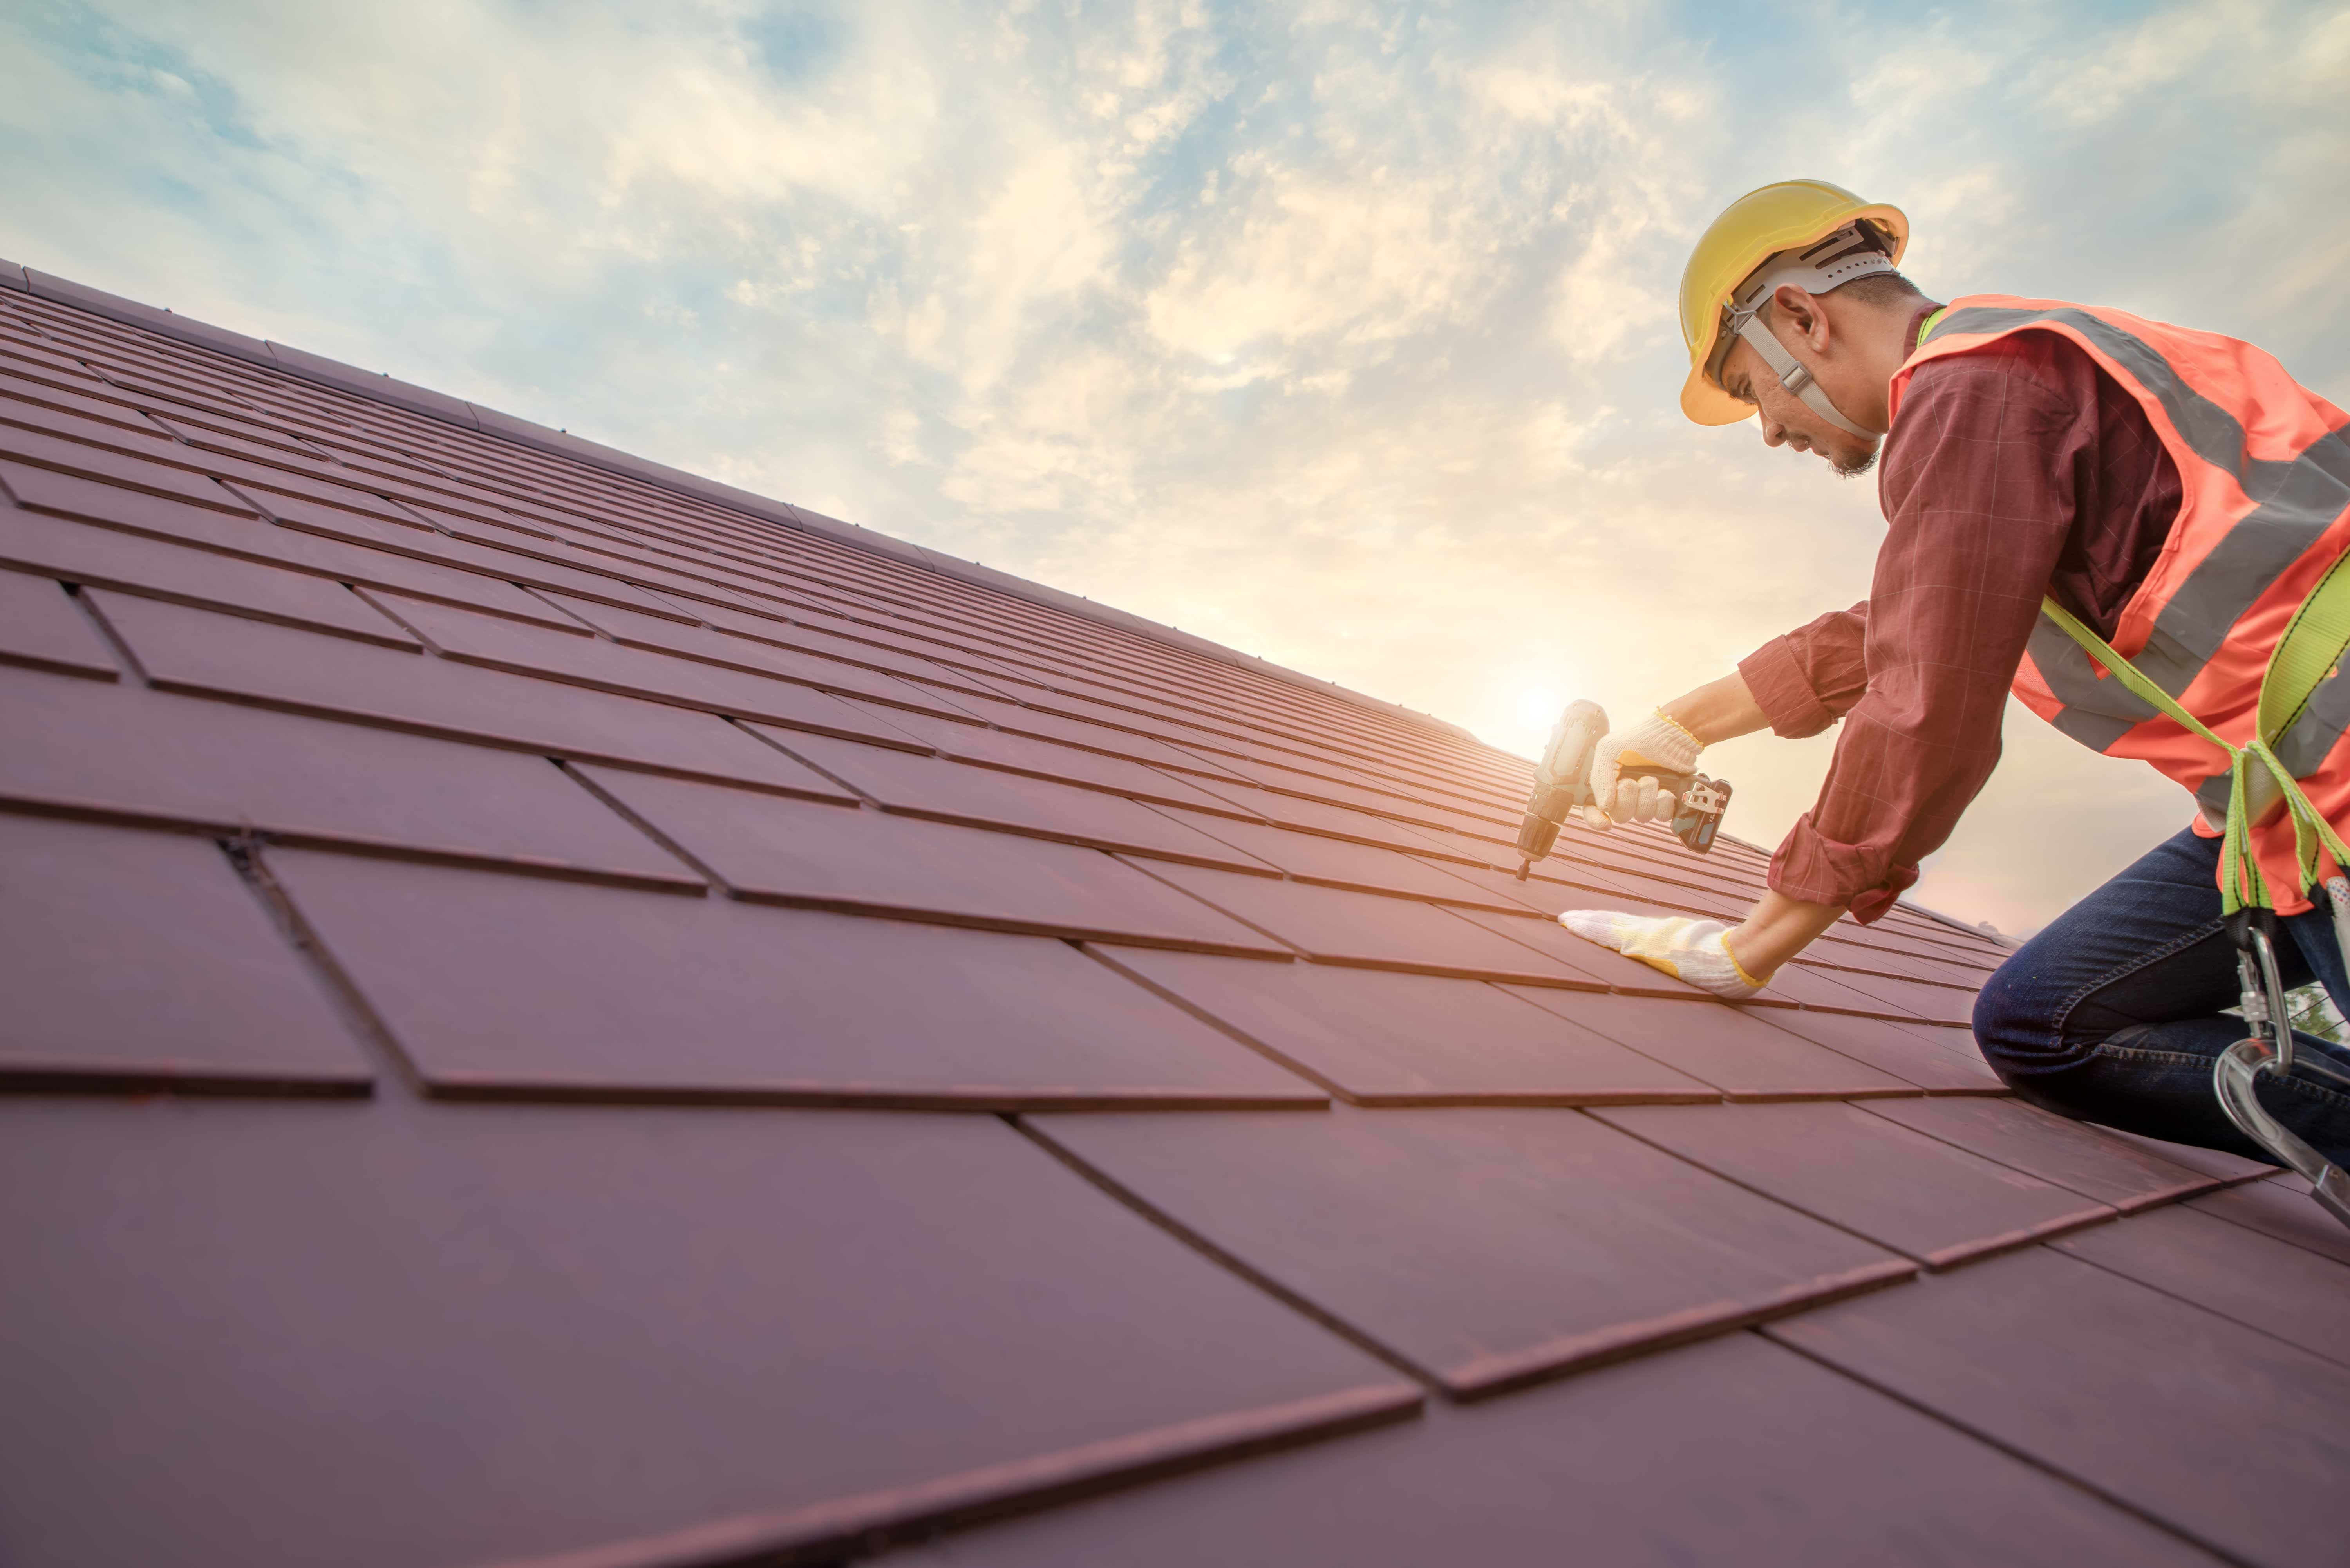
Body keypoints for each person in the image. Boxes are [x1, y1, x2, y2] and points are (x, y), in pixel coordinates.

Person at [1558, 179, 2350, 1169]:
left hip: (2335, 780)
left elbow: (1925, 700)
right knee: (2040, 1021)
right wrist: (1678, 728)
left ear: (1803, 319)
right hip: (2281, 804)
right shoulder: (2004, 368)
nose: (1766, 429)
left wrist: (1750, 945)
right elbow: (1913, 617)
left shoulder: (1973, 388)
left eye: (1748, 385)